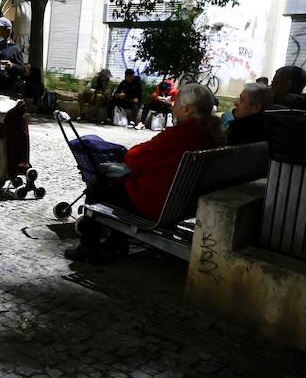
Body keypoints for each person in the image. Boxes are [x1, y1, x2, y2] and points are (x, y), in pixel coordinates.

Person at [65, 83, 222, 261]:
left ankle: (89, 246)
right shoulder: (209, 134)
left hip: (155, 206)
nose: (172, 104)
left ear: (186, 109)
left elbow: (132, 157)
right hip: (183, 205)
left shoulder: (178, 135)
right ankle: (115, 242)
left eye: (176, 102)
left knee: (98, 186)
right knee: (119, 185)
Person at [0, 18, 26, 96]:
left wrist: (12, 66)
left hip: (6, 92)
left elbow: (22, 69)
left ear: (7, 31)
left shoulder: (15, 49)